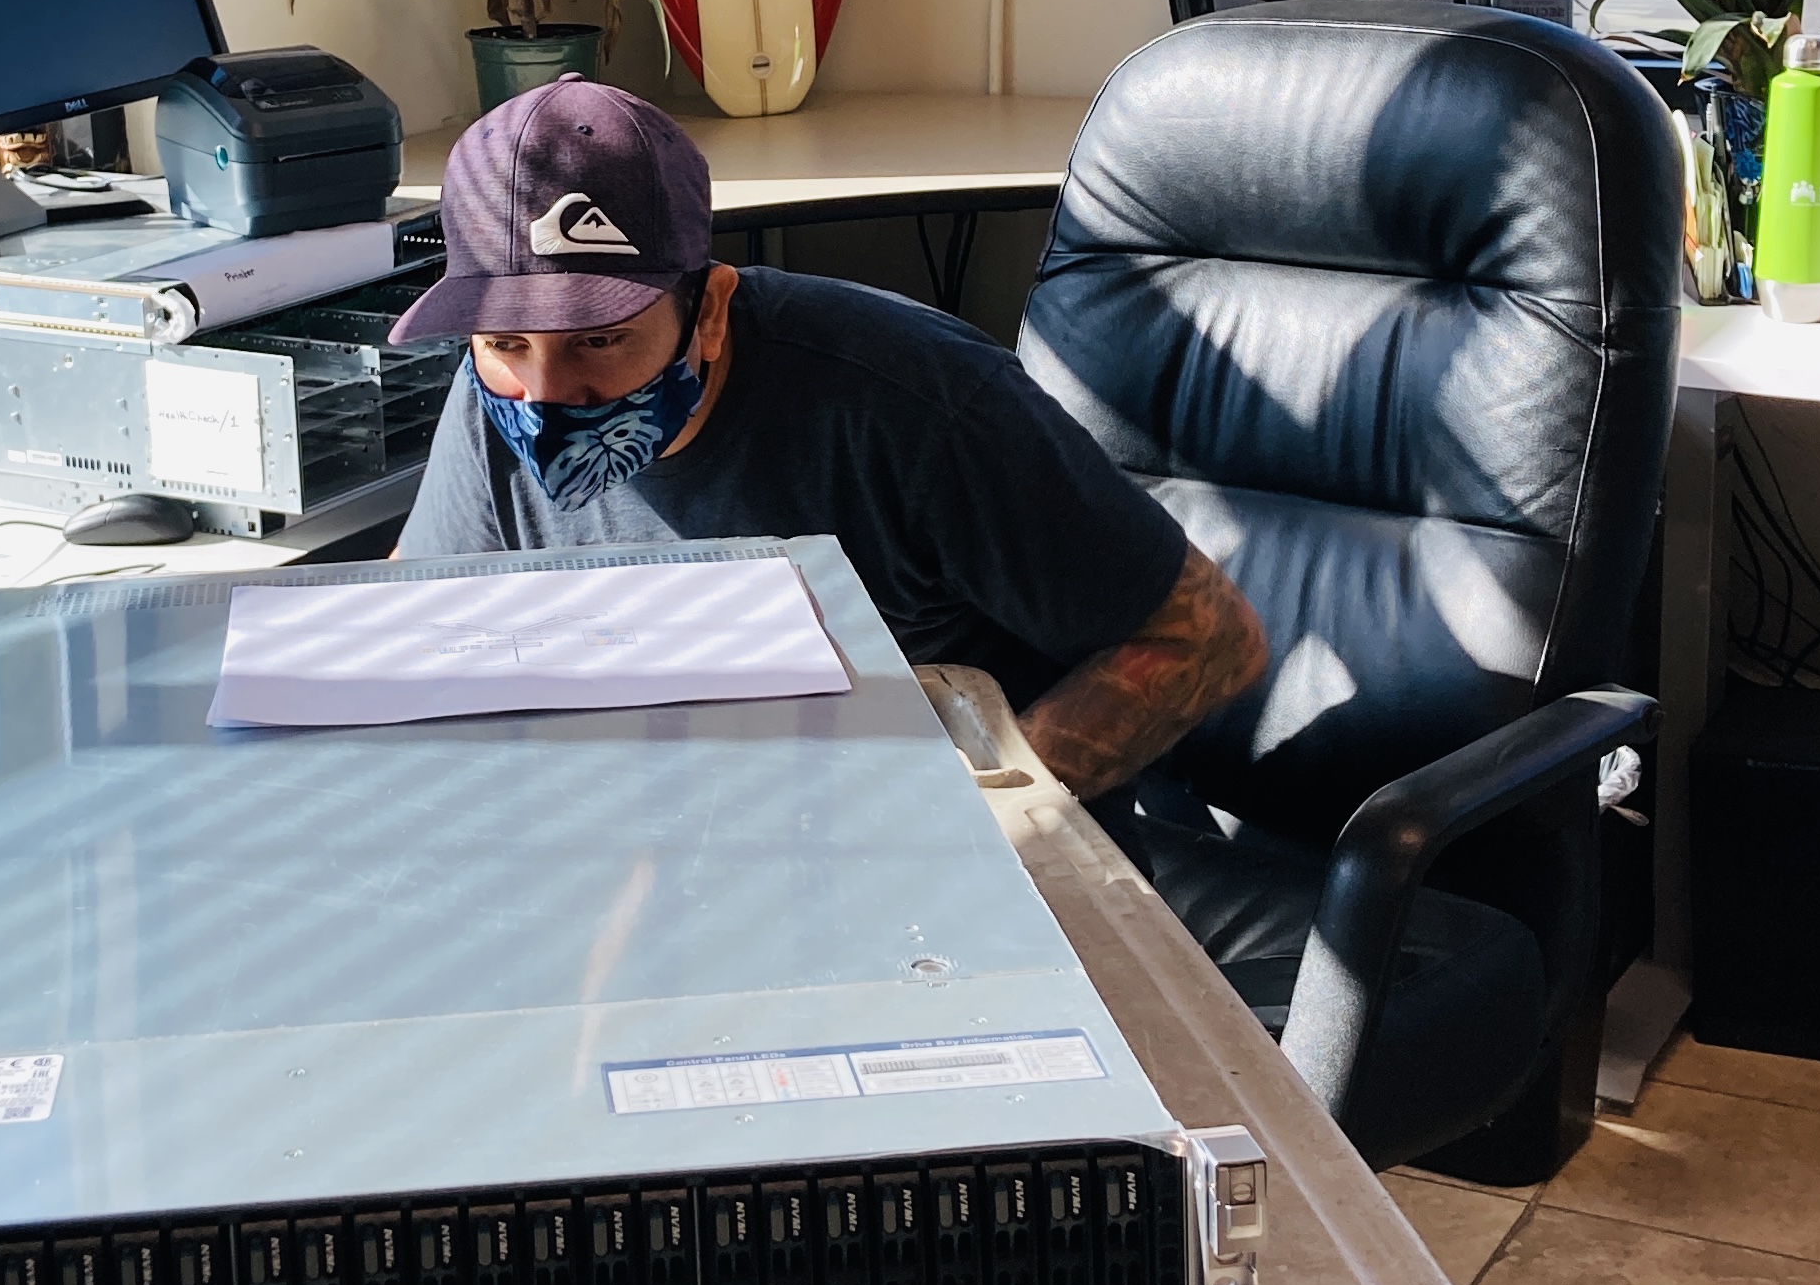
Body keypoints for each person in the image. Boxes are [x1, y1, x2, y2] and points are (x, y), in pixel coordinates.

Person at [393, 81, 1266, 797]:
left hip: (933, 830)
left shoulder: (921, 404)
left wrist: (972, 823)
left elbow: (1209, 639)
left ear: (710, 310)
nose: (548, 397)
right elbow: (418, 632)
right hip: (679, 826)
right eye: (505, 342)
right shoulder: (497, 392)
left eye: (601, 339)